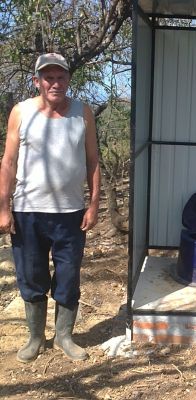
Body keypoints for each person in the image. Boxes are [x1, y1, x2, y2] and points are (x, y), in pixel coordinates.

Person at [0, 53, 101, 363]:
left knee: (68, 277)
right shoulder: (21, 112)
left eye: (60, 77)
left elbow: (93, 160)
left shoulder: (82, 113)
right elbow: (9, 161)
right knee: (31, 276)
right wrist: (4, 207)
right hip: (28, 212)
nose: (55, 83)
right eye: (48, 77)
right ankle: (35, 338)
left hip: (71, 214)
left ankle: (65, 336)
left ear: (68, 80)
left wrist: (94, 203)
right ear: (37, 81)